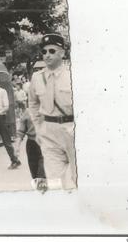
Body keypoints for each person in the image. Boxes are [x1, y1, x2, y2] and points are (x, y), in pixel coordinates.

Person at [28, 33, 76, 190]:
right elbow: (33, 103)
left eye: (52, 51)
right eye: (44, 52)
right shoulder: (36, 78)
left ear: (62, 53)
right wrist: (38, 127)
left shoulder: (73, 75)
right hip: (49, 132)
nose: (47, 55)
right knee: (54, 181)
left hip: (71, 130)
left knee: (77, 178)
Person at [14, 107, 47, 193]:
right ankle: (41, 192)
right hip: (31, 145)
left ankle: (42, 194)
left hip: (45, 144)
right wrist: (17, 147)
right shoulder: (27, 112)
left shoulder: (48, 109)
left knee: (41, 174)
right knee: (34, 174)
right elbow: (21, 131)